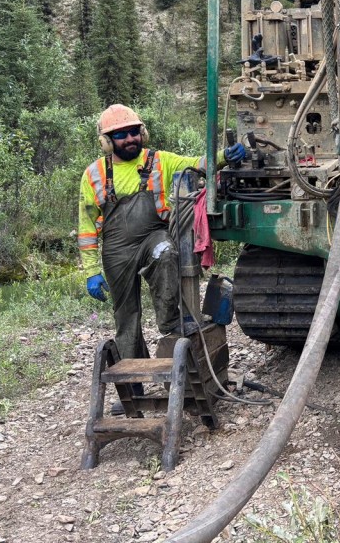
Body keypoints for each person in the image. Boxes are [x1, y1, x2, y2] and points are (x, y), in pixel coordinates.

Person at [78, 104, 246, 413]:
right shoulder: (94, 175)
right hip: (116, 248)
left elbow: (198, 164)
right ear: (107, 141)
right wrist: (90, 269)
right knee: (126, 317)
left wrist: (224, 156)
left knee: (166, 251)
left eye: (133, 132)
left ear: (141, 133)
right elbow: (87, 225)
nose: (129, 139)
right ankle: (133, 387)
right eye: (120, 135)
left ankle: (170, 319)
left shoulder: (159, 160)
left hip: (152, 235)